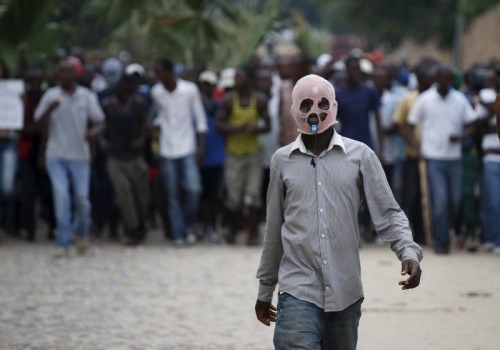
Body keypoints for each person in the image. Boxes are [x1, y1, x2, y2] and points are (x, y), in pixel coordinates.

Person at [255, 74, 423, 350]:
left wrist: (409, 252)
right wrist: (265, 290)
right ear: (295, 110)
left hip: (345, 290)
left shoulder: (361, 156)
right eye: (306, 105)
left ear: (334, 106)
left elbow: (389, 213)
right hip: (297, 289)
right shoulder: (282, 161)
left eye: (322, 104)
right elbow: (274, 229)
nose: (315, 112)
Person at [34, 59, 105, 257]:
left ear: (76, 75)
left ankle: (81, 234)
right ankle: (62, 243)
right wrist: (49, 110)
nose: (64, 75)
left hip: (80, 156)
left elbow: (100, 121)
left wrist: (93, 133)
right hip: (55, 155)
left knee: (82, 200)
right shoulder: (50, 96)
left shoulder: (86, 96)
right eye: (61, 72)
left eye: (68, 71)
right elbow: (37, 123)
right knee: (62, 198)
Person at [407, 64, 476, 254]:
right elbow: (411, 124)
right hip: (434, 157)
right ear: (437, 78)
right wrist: (417, 147)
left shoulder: (460, 99)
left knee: (456, 200)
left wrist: (461, 137)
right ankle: (441, 241)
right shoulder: (425, 99)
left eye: (450, 79)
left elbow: (472, 123)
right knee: (440, 200)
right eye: (444, 78)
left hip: (454, 158)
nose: (447, 82)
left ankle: (449, 230)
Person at [151, 58, 207, 246]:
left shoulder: (189, 90)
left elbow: (200, 120)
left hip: (187, 147)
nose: (156, 76)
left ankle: (189, 224)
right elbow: (158, 118)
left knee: (194, 189)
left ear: (169, 72)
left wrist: (201, 147)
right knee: (172, 194)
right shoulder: (156, 93)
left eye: (159, 72)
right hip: (167, 149)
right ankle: (178, 233)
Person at [216, 66, 271, 245]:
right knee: (233, 197)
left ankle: (252, 232)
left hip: (253, 154)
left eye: (240, 77)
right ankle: (233, 229)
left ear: (249, 79)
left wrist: (256, 128)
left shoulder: (260, 100)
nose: (236, 81)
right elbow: (219, 125)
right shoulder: (229, 101)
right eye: (236, 77)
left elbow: (268, 125)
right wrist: (237, 129)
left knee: (252, 196)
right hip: (234, 154)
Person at [101, 74, 150, 246]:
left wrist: (142, 139)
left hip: (134, 155)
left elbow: (145, 124)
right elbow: (101, 125)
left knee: (141, 195)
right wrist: (102, 141)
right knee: (124, 194)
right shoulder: (107, 105)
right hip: (115, 156)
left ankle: (142, 223)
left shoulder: (138, 104)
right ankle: (132, 229)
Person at [393, 65, 435, 245]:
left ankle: (432, 232)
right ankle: (417, 234)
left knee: (433, 196)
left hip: (434, 154)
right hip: (413, 156)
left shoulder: (433, 99)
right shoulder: (408, 100)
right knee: (413, 195)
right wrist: (414, 145)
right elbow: (399, 123)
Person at [197, 70, 225, 243]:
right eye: (204, 84)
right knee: (200, 194)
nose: (207, 87)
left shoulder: (221, 105)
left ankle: (213, 226)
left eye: (210, 84)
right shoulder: (194, 104)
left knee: (214, 195)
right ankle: (202, 224)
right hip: (200, 156)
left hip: (217, 155)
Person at [476, 88, 500, 253]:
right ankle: (492, 238)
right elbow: (478, 128)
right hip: (491, 160)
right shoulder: (486, 111)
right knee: (493, 202)